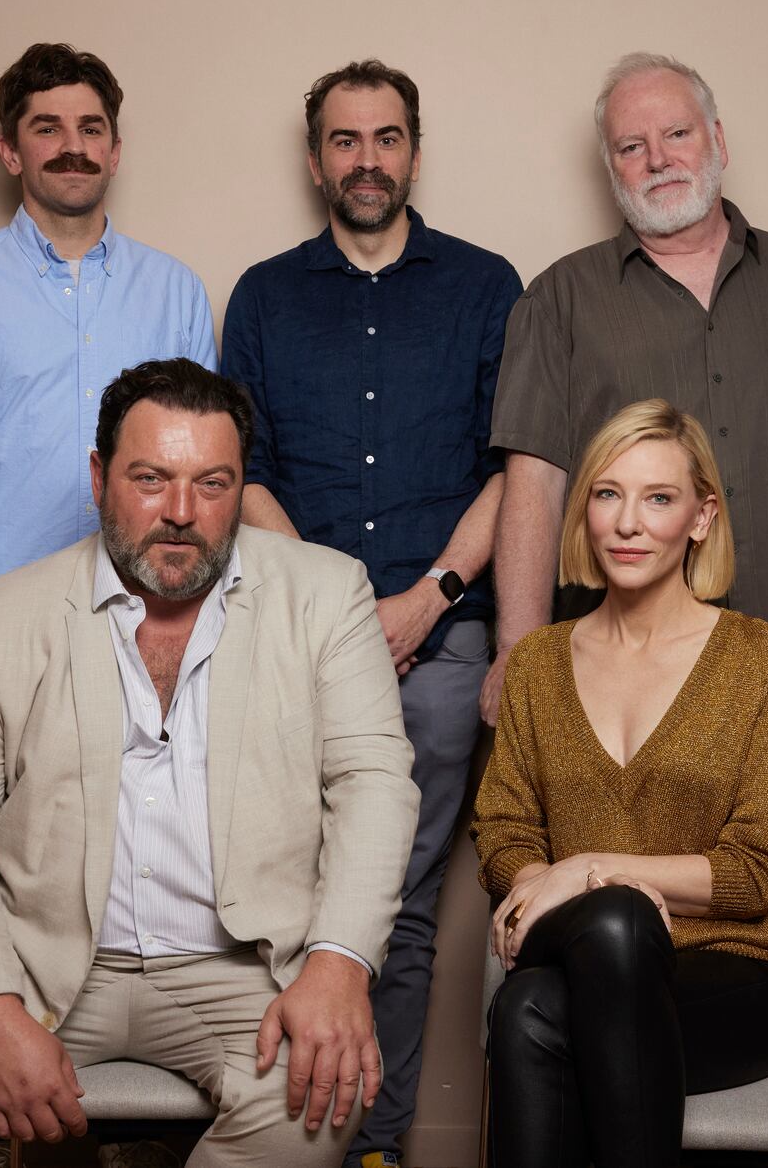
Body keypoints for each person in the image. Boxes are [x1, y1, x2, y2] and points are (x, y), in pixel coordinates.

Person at [0, 360, 419, 1168]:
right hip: (31, 952)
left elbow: (375, 789)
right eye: (150, 478)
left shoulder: (328, 595)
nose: (181, 513)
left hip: (239, 967)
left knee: (323, 1093)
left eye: (212, 483)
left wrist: (338, 962)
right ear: (98, 477)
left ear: (240, 486)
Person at [219, 59, 522, 1168]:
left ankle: (371, 1146)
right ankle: (278, 1138)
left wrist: (430, 596)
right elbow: (242, 473)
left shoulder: (488, 287)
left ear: (413, 152)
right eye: (344, 141)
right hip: (289, 647)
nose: (366, 160)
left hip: (441, 645)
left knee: (392, 907)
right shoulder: (263, 295)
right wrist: (340, 619)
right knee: (271, 900)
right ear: (315, 161)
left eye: (385, 138)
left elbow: (516, 467)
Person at [483, 52, 768, 735]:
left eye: (677, 134)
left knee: (755, 847)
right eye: (631, 146)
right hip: (605, 671)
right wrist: (518, 656)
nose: (658, 160)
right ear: (612, 169)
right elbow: (534, 484)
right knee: (601, 849)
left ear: (718, 141)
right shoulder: (557, 301)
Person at [472, 400, 768, 1168]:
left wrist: (587, 875)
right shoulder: (536, 664)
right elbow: (504, 833)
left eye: (658, 498)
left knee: (532, 1004)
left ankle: (614, 917)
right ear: (585, 511)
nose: (628, 522)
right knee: (612, 928)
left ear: (701, 516)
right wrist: (552, 884)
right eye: (607, 493)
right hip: (577, 955)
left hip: (731, 978)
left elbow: (757, 869)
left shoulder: (757, 657)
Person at [0, 43, 216, 655]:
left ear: (114, 152)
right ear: (10, 151)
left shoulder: (176, 291)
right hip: (1, 624)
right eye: (48, 128)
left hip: (147, 623)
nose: (74, 146)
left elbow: (200, 477)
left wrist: (180, 624)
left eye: (90, 129)